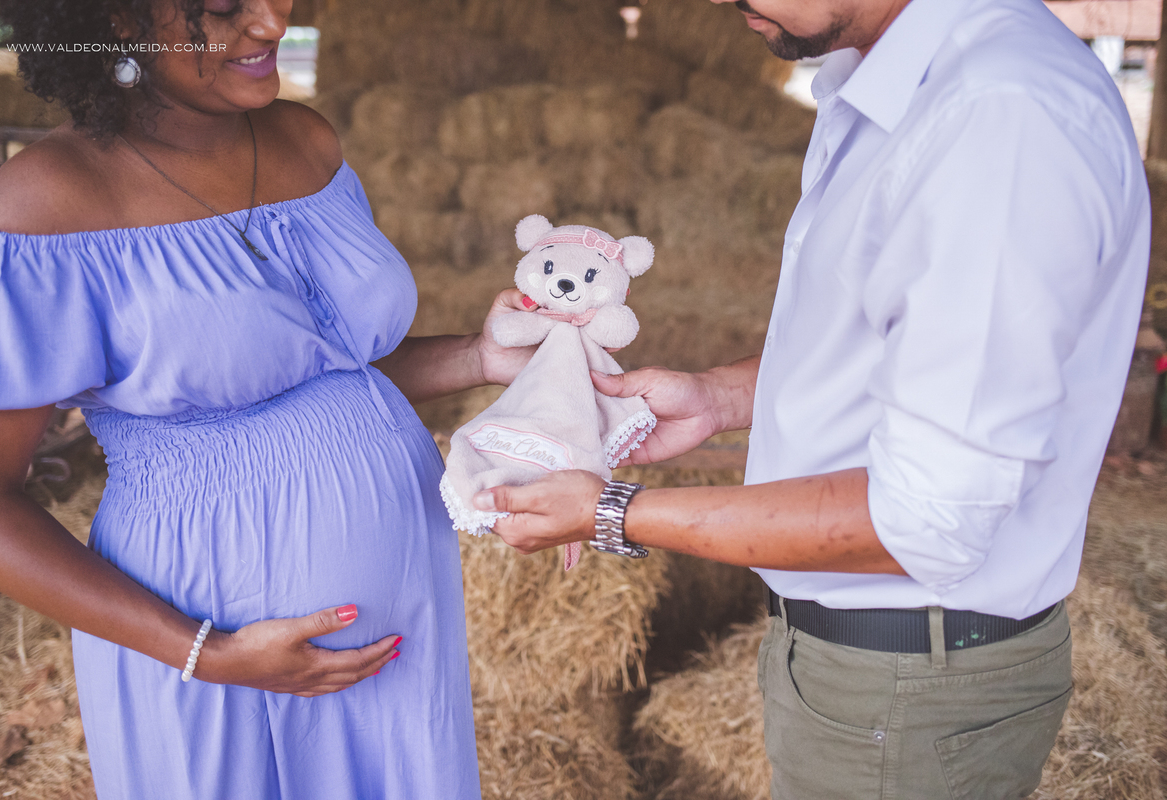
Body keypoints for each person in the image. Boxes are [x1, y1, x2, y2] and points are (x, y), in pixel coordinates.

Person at [475, 0, 1151, 797]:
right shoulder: (889, 83)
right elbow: (898, 346)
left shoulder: (996, 120)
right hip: (875, 669)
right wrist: (720, 398)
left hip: (906, 685)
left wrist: (614, 511)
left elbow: (927, 520)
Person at [0, 1, 536, 797]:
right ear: (121, 18)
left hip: (399, 612)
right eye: (224, 6)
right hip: (213, 629)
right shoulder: (50, 198)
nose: (270, 23)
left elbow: (321, 374)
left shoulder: (307, 142)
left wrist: (479, 356)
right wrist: (206, 651)